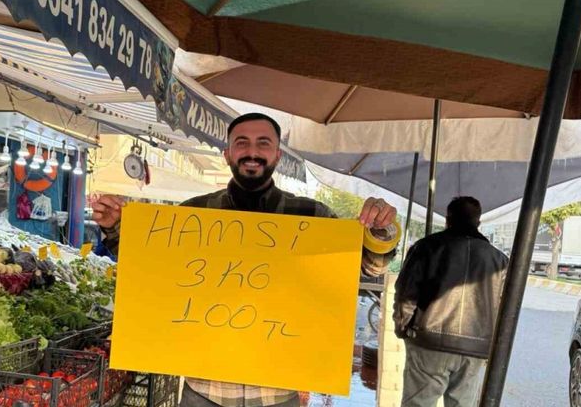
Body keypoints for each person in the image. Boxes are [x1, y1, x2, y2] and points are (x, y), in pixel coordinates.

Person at [92, 112, 401, 407]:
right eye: (242, 142)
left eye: (263, 143)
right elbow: (147, 268)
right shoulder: (190, 214)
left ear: (277, 155)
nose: (252, 151)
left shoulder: (315, 217)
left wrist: (381, 229)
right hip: (203, 391)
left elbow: (370, 267)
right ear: (227, 153)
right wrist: (114, 226)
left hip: (278, 395)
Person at [393, 196, 509, 407]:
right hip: (474, 350)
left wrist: (402, 328)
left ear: (448, 219)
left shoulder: (425, 248)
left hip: (428, 342)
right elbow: (504, 307)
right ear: (478, 222)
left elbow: (405, 294)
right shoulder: (499, 261)